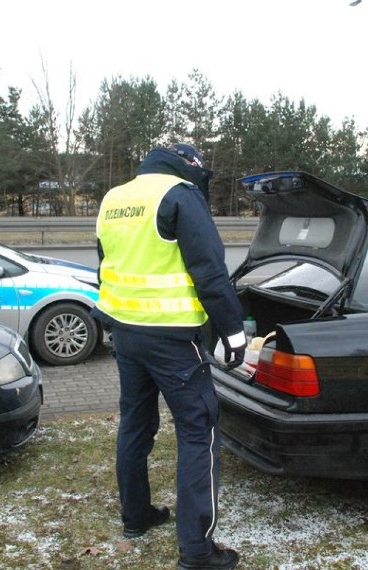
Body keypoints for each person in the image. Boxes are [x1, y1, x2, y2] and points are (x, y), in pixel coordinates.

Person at [93, 143, 244, 570]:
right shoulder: (181, 194)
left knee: (135, 423)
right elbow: (209, 269)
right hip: (175, 338)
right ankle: (198, 553)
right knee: (199, 433)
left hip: (125, 332)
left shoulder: (114, 198)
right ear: (190, 168)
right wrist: (232, 330)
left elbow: (105, 266)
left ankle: (136, 516)